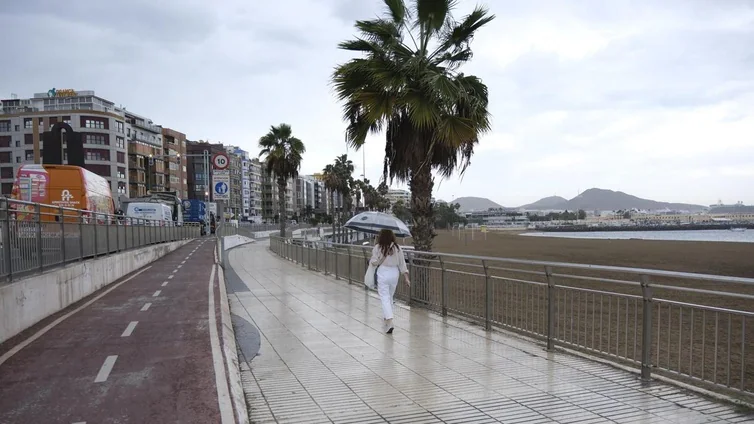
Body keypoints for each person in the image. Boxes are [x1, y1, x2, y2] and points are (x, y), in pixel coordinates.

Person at [369, 229, 411, 334]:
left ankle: (389, 320)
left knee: (384, 297)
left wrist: (376, 259)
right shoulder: (397, 248)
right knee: (390, 296)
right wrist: (406, 277)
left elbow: (373, 262)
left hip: (383, 271)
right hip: (394, 273)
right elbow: (402, 264)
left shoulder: (378, 247)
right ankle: (386, 319)